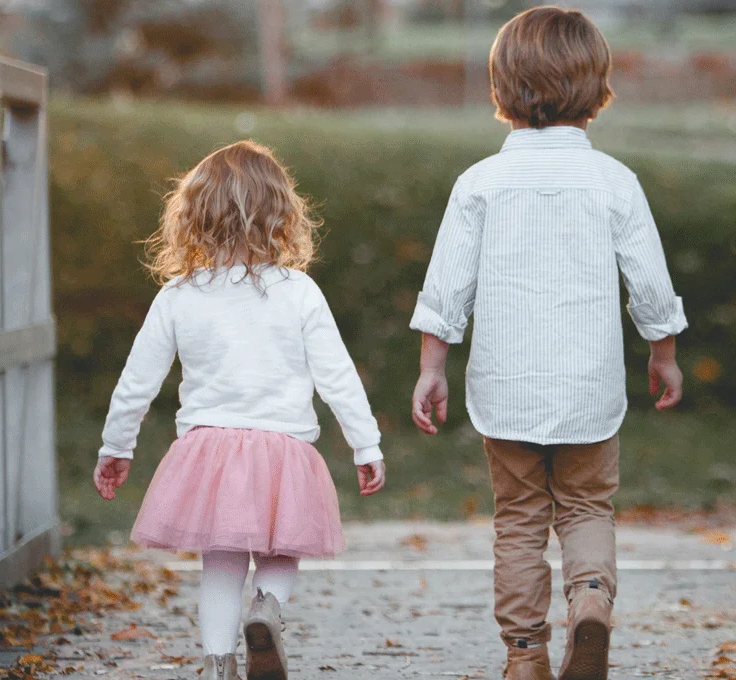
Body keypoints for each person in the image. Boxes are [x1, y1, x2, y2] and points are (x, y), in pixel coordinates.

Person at [409, 7, 687, 680]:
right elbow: (651, 284)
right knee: (588, 505)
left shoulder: (480, 183)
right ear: (596, 88)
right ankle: (589, 599)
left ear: (502, 86)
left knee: (519, 520)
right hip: (589, 389)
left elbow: (446, 289)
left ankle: (525, 653)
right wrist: (664, 355)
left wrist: (432, 368)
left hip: (506, 390)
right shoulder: (613, 181)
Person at [94, 140, 386, 680]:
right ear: (281, 214)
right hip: (284, 450)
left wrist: (117, 445)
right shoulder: (299, 292)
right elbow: (338, 377)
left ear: (194, 215)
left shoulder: (179, 295)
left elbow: (137, 381)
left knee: (220, 563)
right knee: (281, 551)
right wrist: (365, 444)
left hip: (209, 455)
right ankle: (267, 610)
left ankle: (217, 663)